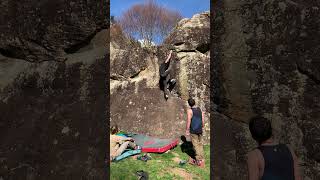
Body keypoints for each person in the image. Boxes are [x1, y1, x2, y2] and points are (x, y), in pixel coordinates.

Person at [185, 98, 205, 167]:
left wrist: (187, 130)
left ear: (189, 104)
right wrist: (203, 125)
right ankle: (202, 159)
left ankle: (198, 161)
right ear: (194, 102)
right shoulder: (199, 109)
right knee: (200, 144)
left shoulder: (189, 111)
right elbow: (202, 118)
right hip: (200, 129)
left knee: (195, 145)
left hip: (194, 130)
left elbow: (188, 121)